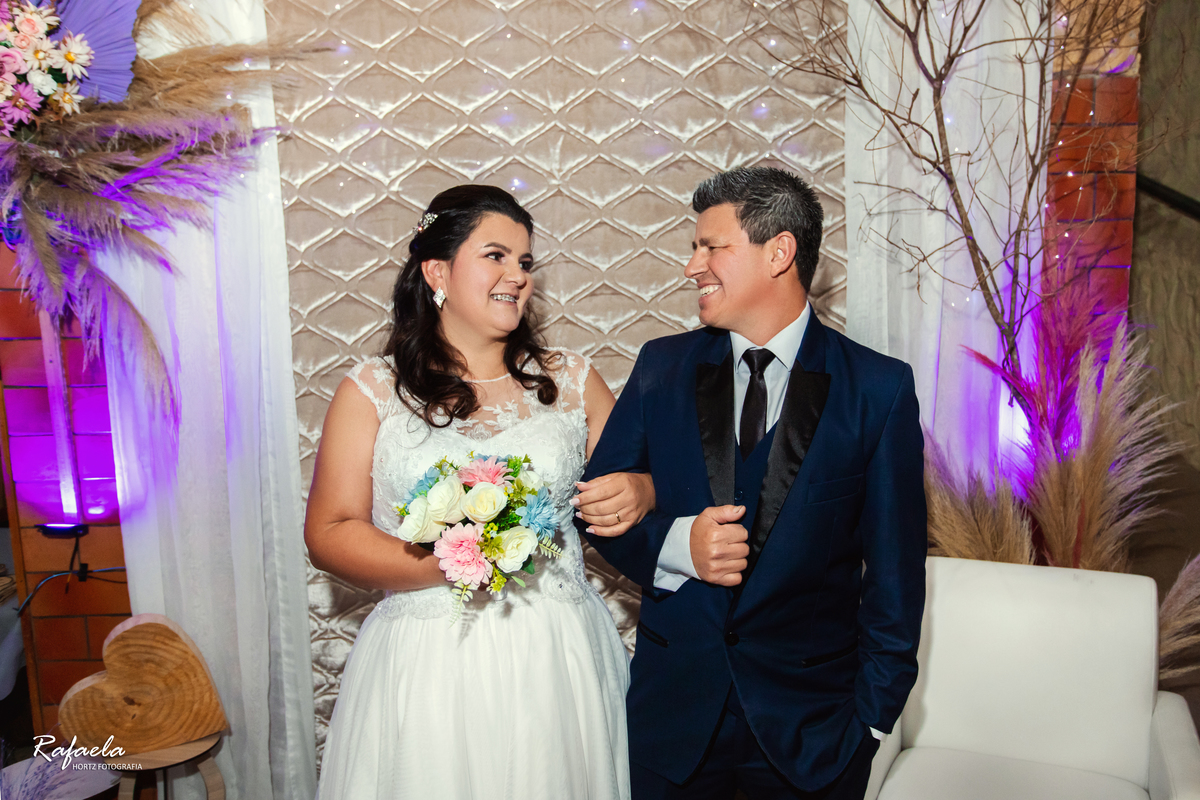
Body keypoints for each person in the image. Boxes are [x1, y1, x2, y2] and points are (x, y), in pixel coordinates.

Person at [578, 166, 927, 800]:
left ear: (779, 252)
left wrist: (872, 723)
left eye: (711, 247)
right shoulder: (662, 366)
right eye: (694, 247)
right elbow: (592, 509)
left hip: (814, 738)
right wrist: (679, 546)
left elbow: (895, 579)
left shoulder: (879, 389)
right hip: (673, 724)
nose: (692, 266)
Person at [305, 185, 652, 799]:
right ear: (437, 272)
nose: (517, 275)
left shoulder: (571, 380)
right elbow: (329, 533)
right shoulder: (373, 390)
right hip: (429, 659)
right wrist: (458, 560)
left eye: (525, 262)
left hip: (558, 655)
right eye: (496, 256)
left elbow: (640, 483)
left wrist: (643, 490)